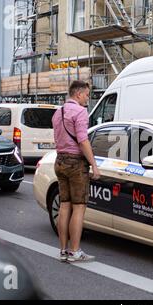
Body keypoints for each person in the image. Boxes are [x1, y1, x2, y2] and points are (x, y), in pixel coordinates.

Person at [52, 80, 101, 263]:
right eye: (87, 95)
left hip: (60, 161)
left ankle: (63, 250)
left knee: (65, 205)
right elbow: (83, 140)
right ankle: (75, 251)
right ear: (78, 94)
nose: (88, 98)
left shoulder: (58, 112)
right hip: (75, 164)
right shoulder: (81, 112)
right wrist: (94, 165)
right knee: (79, 207)